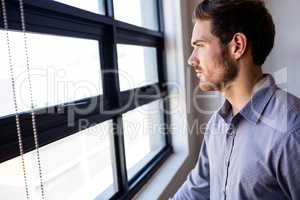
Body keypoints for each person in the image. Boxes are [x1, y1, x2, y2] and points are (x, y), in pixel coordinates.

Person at [171, 0, 300, 199]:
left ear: (237, 46)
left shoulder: (291, 130)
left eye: (200, 45)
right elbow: (195, 192)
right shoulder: (217, 124)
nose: (191, 59)